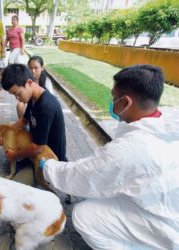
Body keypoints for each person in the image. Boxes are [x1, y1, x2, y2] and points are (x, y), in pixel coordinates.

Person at [41, 64, 179, 249]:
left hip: (164, 224)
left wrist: (48, 167)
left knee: (84, 214)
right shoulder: (162, 127)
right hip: (160, 202)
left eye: (114, 97)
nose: (112, 101)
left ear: (126, 102)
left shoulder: (132, 148)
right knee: (104, 193)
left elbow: (85, 174)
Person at [0, 64, 67, 186]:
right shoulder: (33, 97)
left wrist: (14, 155)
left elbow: (37, 148)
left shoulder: (46, 106)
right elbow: (23, 121)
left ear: (29, 82)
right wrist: (3, 134)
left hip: (49, 159)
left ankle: (50, 183)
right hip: (36, 149)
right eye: (14, 95)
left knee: (16, 186)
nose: (17, 98)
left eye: (18, 93)